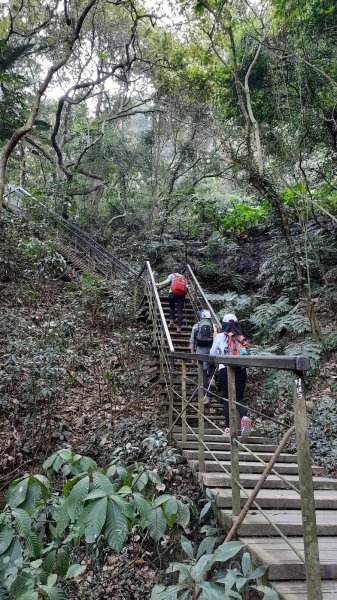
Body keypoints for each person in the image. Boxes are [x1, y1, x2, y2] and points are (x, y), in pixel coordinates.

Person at [210, 313, 251, 436]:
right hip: (241, 369)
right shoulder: (240, 337)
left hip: (225, 369)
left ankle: (228, 429)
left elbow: (212, 354)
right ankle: (244, 418)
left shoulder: (220, 336)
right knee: (239, 398)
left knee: (227, 399)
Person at [189, 309, 217, 402]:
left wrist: (192, 355)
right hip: (211, 351)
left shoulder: (196, 326)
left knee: (203, 373)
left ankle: (206, 396)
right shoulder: (214, 326)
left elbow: (192, 341)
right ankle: (212, 379)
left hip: (200, 352)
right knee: (211, 366)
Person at [155, 267, 188, 332]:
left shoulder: (172, 275)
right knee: (179, 310)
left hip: (172, 293)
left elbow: (167, 281)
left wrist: (157, 284)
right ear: (179, 272)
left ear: (173, 271)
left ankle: (171, 322)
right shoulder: (183, 277)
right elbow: (186, 287)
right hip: (181, 295)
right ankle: (178, 327)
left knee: (172, 308)